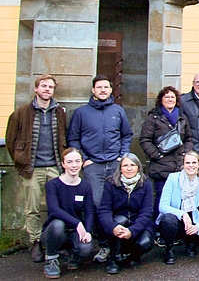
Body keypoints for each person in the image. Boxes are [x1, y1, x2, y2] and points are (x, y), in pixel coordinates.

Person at [67, 75, 132, 263]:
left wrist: (122, 155)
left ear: (111, 90)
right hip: (93, 166)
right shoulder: (81, 113)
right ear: (93, 90)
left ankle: (117, 245)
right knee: (95, 204)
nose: (103, 90)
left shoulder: (118, 111)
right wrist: (84, 160)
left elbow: (126, 135)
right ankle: (103, 244)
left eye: (106, 87)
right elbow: (73, 138)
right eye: (99, 87)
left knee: (116, 204)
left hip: (114, 164)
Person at [5, 74, 67, 263]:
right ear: (36, 89)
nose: (47, 89)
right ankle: (36, 242)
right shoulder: (22, 112)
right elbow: (10, 140)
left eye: (50, 87)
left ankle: (56, 241)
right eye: (44, 86)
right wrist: (19, 160)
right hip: (33, 168)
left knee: (58, 206)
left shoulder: (60, 112)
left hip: (55, 166)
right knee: (32, 208)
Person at [139, 86, 194, 223]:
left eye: (173, 97)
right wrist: (157, 155)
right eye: (167, 97)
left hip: (179, 165)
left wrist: (185, 153)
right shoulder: (153, 118)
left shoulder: (182, 118)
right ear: (161, 100)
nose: (170, 100)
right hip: (161, 166)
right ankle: (159, 228)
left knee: (179, 199)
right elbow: (144, 140)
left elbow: (189, 138)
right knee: (162, 198)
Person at [157, 150, 199, 264]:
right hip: (175, 219)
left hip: (194, 218)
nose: (191, 166)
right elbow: (163, 206)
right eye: (187, 163)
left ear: (198, 165)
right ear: (183, 164)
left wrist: (198, 227)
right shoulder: (173, 179)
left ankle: (192, 241)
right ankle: (169, 249)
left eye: (194, 162)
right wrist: (182, 214)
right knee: (168, 219)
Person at [40, 147, 95, 279]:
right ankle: (51, 259)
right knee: (58, 225)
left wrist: (87, 231)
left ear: (82, 163)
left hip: (74, 232)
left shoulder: (85, 186)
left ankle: (73, 254)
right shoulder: (53, 185)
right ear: (63, 164)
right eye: (69, 162)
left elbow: (89, 211)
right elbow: (54, 210)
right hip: (54, 231)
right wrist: (77, 223)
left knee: (86, 248)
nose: (74, 165)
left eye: (77, 161)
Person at [97, 154, 154, 274]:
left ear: (138, 167)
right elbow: (104, 210)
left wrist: (132, 230)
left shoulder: (146, 184)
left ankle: (132, 256)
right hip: (117, 224)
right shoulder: (110, 183)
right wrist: (112, 227)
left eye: (132, 165)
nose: (129, 168)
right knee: (120, 221)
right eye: (125, 165)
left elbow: (146, 212)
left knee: (145, 243)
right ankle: (114, 259)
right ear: (120, 168)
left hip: (138, 225)